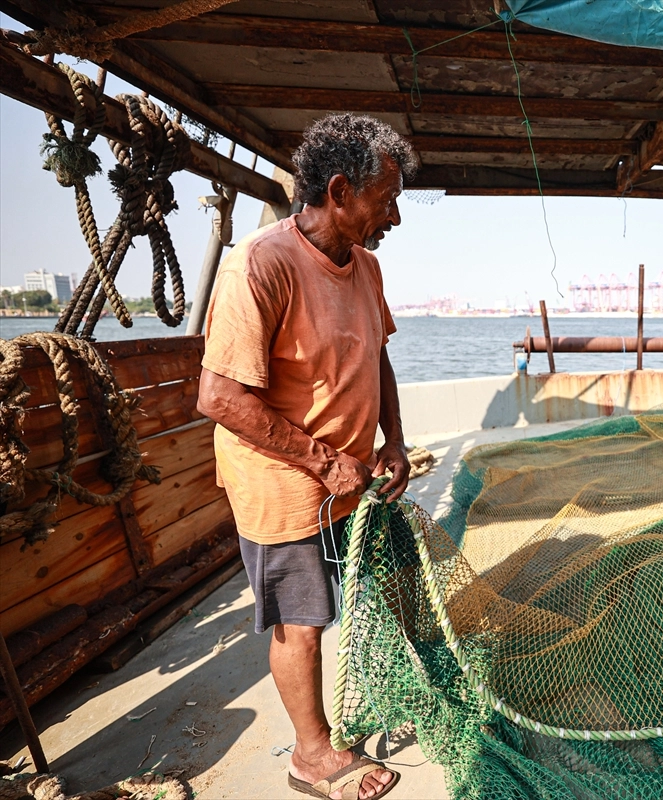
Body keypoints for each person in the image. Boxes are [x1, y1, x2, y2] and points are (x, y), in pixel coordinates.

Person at [196, 113, 418, 800]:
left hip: (347, 474)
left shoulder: (368, 267)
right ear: (341, 190)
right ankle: (311, 756)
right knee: (303, 621)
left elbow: (376, 355)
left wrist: (394, 441)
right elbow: (220, 396)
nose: (396, 217)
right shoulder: (261, 263)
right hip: (282, 481)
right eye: (387, 199)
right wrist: (324, 462)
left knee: (382, 585)